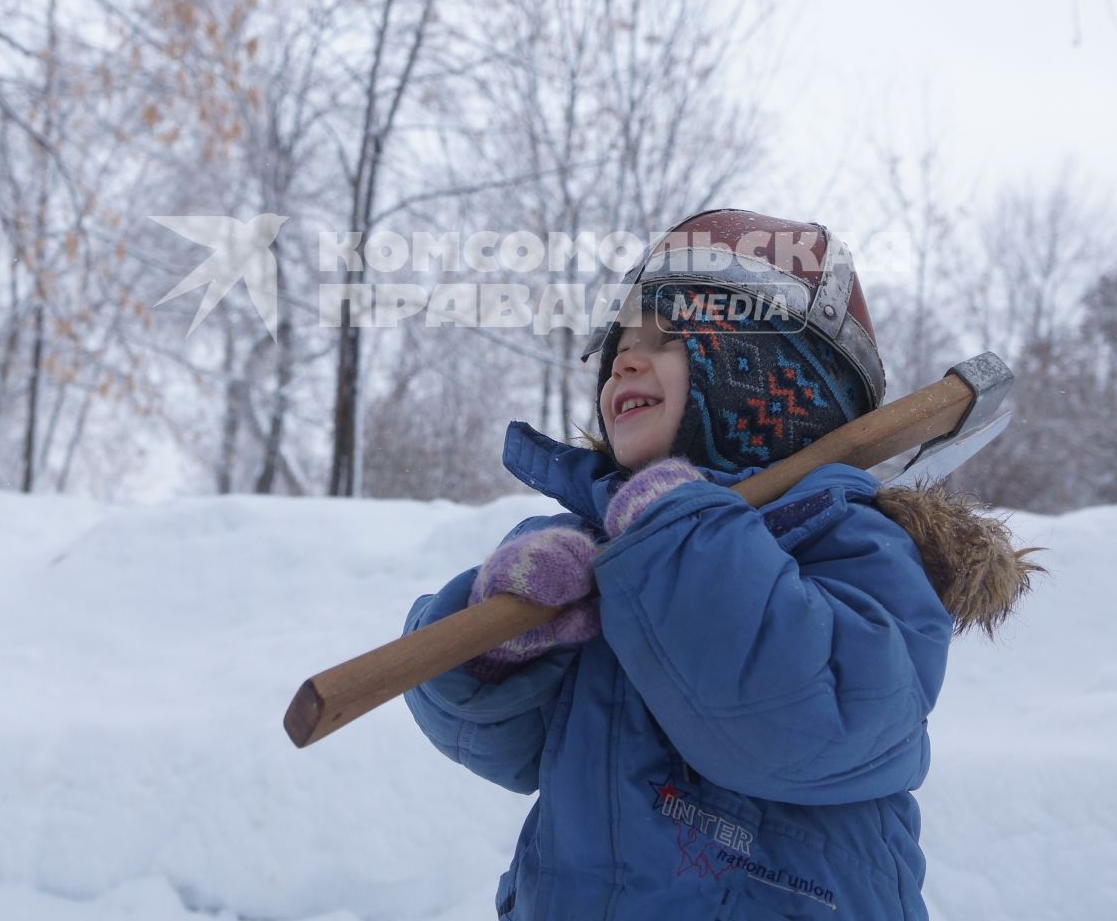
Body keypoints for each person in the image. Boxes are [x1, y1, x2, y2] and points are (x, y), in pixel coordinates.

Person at [402, 209, 1040, 920]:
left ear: (770, 377)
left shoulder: (850, 538)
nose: (624, 361)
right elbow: (503, 749)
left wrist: (675, 532)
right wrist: (499, 644)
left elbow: (796, 727)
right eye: (621, 343)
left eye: (670, 337)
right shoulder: (601, 546)